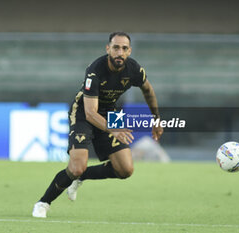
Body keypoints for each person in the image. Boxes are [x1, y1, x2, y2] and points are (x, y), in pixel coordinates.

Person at [32, 32, 163, 218]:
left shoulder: (134, 69)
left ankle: (82, 177)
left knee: (126, 170)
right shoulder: (95, 70)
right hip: (83, 113)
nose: (120, 52)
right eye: (116, 47)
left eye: (124, 48)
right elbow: (91, 113)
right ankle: (43, 202)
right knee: (77, 167)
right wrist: (114, 129)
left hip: (111, 112)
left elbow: (148, 90)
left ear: (129, 51)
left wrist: (156, 118)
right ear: (108, 48)